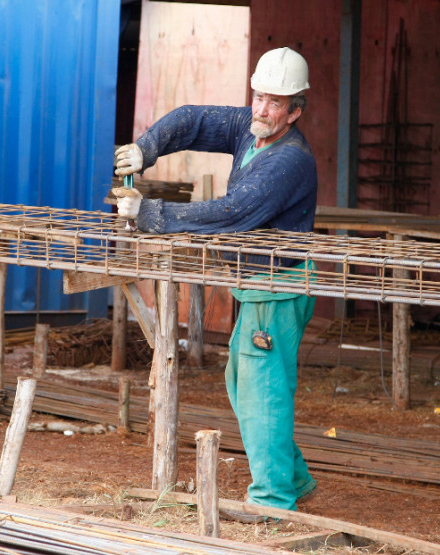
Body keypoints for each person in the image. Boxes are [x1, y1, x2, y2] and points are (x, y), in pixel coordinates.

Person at [112, 47, 318, 523]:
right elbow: (194, 120)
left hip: (277, 289)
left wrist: (149, 213)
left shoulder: (288, 161)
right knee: (244, 382)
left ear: (296, 110)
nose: (261, 109)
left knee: (260, 391)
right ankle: (295, 478)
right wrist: (148, 147)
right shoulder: (252, 133)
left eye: (274, 102)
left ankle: (271, 502)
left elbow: (231, 213)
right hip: (261, 286)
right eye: (258, 96)